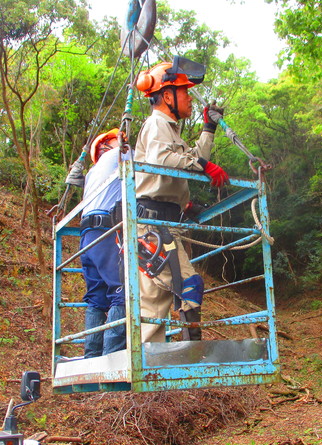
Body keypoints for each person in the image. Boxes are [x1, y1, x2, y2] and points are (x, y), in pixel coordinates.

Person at [133, 57, 228, 343]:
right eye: (184, 92)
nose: (188, 98)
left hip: (161, 222)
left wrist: (208, 129)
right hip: (153, 223)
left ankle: (150, 363)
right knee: (189, 283)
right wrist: (202, 166)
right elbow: (162, 160)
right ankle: (190, 351)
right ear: (166, 96)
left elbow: (188, 159)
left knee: (155, 302)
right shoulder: (156, 124)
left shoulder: (171, 130)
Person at [72, 129, 131, 358]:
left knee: (97, 296)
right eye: (119, 138)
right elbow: (149, 164)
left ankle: (92, 354)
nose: (124, 139)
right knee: (123, 289)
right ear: (108, 144)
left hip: (87, 235)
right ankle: (113, 354)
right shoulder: (118, 155)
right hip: (105, 230)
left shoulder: (93, 173)